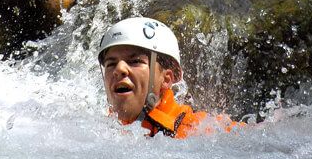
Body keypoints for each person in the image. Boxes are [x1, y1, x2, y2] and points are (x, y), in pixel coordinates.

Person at [98, 16, 236, 138]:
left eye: (135, 61)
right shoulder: (98, 130)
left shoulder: (197, 130)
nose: (119, 69)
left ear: (166, 79)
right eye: (111, 64)